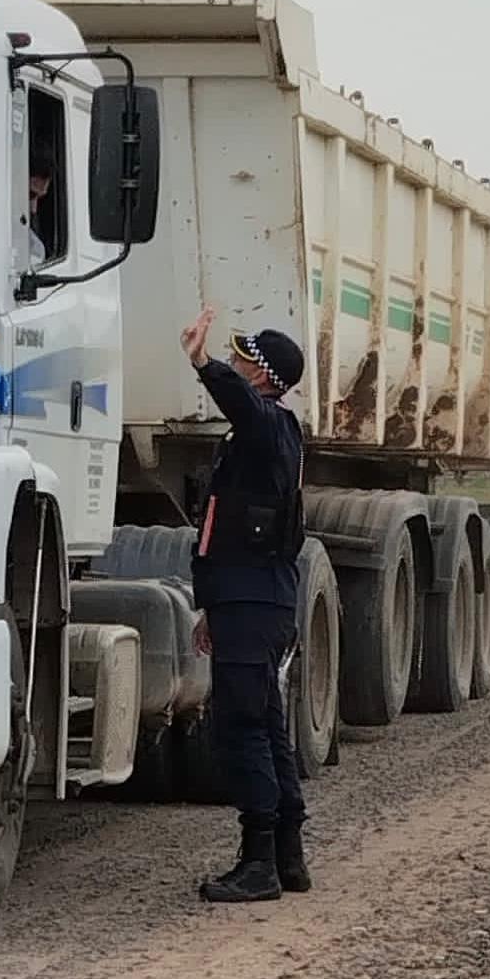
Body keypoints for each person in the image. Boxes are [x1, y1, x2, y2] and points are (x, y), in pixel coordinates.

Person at [180, 307, 310, 903]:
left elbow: (241, 405)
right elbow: (221, 530)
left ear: (262, 377)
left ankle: (259, 863)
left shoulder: (266, 426)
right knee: (268, 725)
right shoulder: (267, 432)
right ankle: (287, 858)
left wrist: (203, 363)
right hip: (247, 599)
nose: (233, 361)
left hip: (255, 601)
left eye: (241, 358)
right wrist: (213, 606)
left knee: (241, 729)